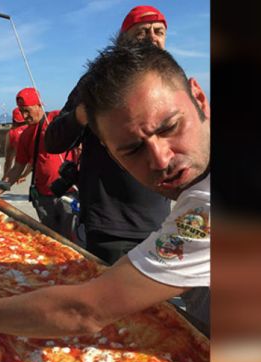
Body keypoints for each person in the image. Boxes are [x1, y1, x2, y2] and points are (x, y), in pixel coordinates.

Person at [0, 44, 210, 355]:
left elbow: (85, 311)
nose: (161, 158)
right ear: (110, 153)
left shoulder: (204, 210)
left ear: (199, 97)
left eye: (170, 126)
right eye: (132, 149)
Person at [45, 5, 171, 265]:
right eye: (142, 32)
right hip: (110, 227)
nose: (152, 37)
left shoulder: (171, 82)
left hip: (161, 223)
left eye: (158, 31)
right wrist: (81, 114)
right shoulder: (96, 81)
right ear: (123, 39)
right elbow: (53, 140)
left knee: (157, 306)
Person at [0, 88, 78, 240]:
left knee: (73, 239)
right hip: (43, 197)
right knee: (51, 239)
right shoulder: (26, 135)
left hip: (69, 193)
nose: (25, 116)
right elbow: (17, 168)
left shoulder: (57, 119)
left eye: (27, 110)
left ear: (39, 105)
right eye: (22, 111)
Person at [1, 107, 29, 182]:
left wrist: (5, 175)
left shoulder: (12, 133)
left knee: (9, 159)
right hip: (32, 162)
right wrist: (25, 174)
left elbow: (8, 160)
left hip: (20, 161)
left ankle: (4, 181)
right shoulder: (33, 129)